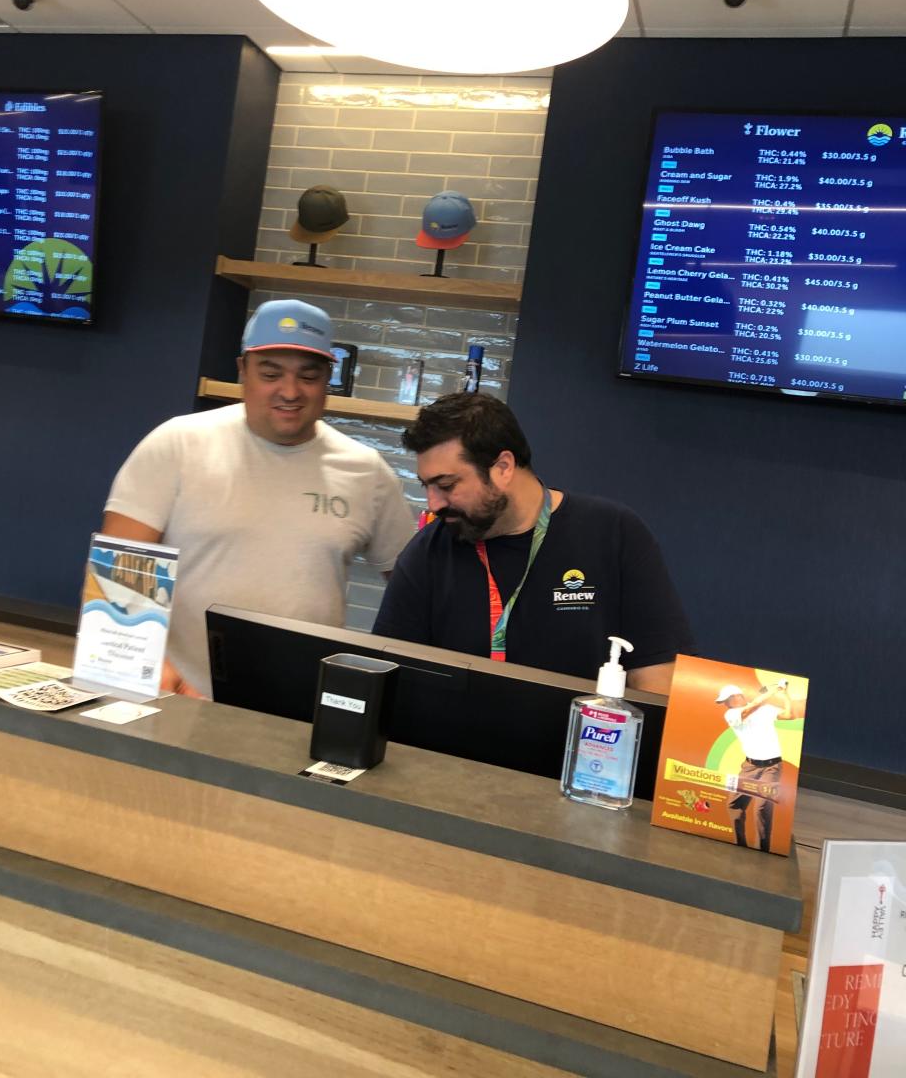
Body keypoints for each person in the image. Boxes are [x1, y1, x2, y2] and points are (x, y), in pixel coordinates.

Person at [102, 299, 414, 697]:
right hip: (175, 700)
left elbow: (412, 594)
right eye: (271, 373)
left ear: (327, 379)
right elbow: (120, 572)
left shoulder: (366, 471)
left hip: (301, 713)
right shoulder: (177, 444)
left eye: (309, 375)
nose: (290, 391)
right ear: (242, 370)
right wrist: (151, 667)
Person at [372, 393, 692, 692]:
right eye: (427, 486)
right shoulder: (427, 552)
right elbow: (386, 675)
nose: (433, 503)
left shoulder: (614, 533)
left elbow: (658, 676)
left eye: (446, 485)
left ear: (503, 468)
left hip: (586, 746)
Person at [715, 680, 794, 852]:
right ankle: (740, 847)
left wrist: (785, 694)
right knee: (734, 805)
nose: (725, 704)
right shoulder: (731, 714)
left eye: (727, 700)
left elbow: (789, 715)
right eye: (724, 702)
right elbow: (753, 707)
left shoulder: (765, 710)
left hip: (772, 767)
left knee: (762, 808)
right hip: (749, 767)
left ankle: (762, 851)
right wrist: (774, 690)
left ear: (737, 696)